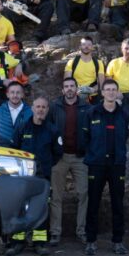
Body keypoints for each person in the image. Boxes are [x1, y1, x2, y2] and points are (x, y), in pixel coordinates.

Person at [6, 96, 62, 256]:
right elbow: (13, 150)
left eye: (44, 107)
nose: (40, 110)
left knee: (42, 209)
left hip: (42, 177)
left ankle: (39, 243)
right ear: (32, 108)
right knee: (19, 208)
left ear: (47, 110)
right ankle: (17, 242)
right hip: (23, 177)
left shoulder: (52, 130)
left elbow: (57, 153)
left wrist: (45, 167)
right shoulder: (22, 128)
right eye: (38, 107)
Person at [82, 79, 129, 256]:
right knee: (93, 203)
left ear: (117, 93)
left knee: (118, 204)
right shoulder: (92, 112)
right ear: (102, 93)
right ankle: (91, 241)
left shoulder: (124, 114)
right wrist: (94, 154)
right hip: (97, 165)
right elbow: (85, 138)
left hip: (117, 165)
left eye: (113, 90)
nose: (110, 92)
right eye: (107, 89)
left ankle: (117, 241)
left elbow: (124, 136)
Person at [49, 77, 91, 246]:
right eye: (66, 86)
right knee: (56, 196)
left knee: (83, 194)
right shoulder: (54, 107)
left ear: (77, 88)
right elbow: (49, 130)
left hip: (80, 157)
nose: (69, 89)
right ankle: (55, 232)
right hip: (60, 157)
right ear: (62, 90)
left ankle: (81, 231)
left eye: (72, 86)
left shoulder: (86, 108)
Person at [0, 81, 33, 147]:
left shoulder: (30, 112)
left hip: (22, 152)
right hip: (2, 151)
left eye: (18, 92)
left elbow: (33, 134)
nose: (15, 95)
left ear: (22, 94)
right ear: (7, 94)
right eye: (12, 92)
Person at [64, 36, 105, 104]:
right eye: (84, 44)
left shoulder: (98, 63)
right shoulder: (72, 62)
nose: (86, 47)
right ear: (80, 46)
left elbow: (101, 83)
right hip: (76, 95)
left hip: (93, 96)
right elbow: (66, 82)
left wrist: (92, 90)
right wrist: (76, 90)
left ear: (92, 47)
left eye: (89, 45)